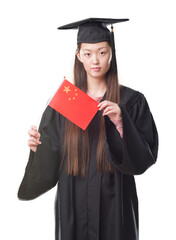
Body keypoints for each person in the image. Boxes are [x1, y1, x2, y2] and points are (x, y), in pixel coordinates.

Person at [18, 18, 158, 240]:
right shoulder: (66, 101)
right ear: (78, 55)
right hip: (73, 199)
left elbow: (144, 157)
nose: (95, 60)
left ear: (112, 53)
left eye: (102, 52)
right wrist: (38, 148)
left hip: (116, 201)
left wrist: (122, 122)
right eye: (88, 53)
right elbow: (51, 156)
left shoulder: (131, 101)